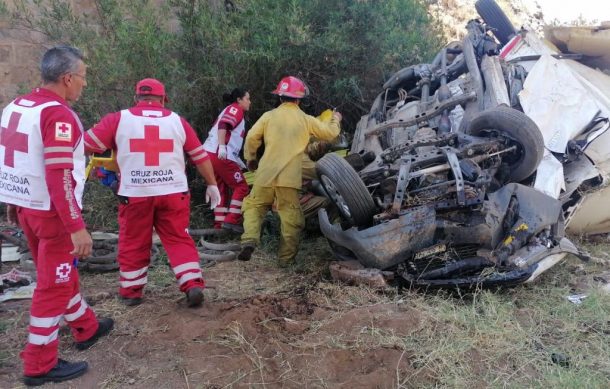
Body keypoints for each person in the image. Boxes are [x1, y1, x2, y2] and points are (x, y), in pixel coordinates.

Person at [0, 46, 113, 386]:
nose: (84, 84)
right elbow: (60, 174)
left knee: (61, 275)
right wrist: (76, 226)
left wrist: (11, 200)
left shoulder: (16, 106)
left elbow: (13, 157)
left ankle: (85, 327)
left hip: (28, 209)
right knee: (53, 286)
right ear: (67, 79)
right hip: (53, 215)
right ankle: (39, 364)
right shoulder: (59, 115)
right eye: (83, 77)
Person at [83, 78, 221, 308]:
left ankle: (131, 291)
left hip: (135, 193)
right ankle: (192, 283)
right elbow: (200, 156)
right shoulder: (178, 121)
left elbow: (85, 144)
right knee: (178, 238)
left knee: (134, 241)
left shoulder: (118, 119)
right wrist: (212, 184)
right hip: (174, 192)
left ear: (135, 98)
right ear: (164, 99)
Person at [238, 76, 342, 265]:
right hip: (288, 179)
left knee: (254, 206)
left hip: (265, 175)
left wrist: (251, 159)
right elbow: (330, 134)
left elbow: (252, 137)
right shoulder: (305, 119)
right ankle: (286, 260)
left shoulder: (268, 116)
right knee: (291, 219)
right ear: (299, 99)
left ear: (280, 97)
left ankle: (250, 239)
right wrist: (335, 119)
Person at [202, 88, 251, 233]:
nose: (249, 102)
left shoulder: (230, 109)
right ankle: (232, 221)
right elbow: (224, 125)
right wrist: (222, 148)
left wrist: (238, 161)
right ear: (239, 100)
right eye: (247, 98)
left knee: (220, 188)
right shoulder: (236, 109)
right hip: (219, 154)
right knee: (241, 187)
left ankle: (219, 225)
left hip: (209, 154)